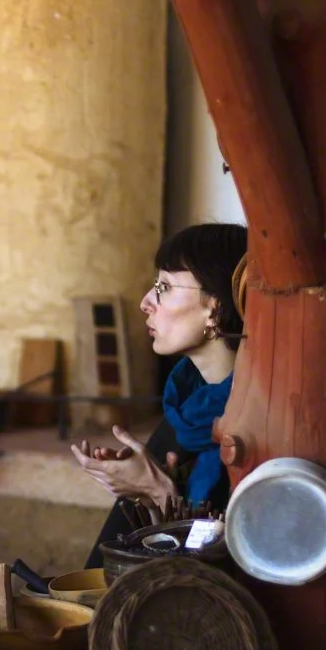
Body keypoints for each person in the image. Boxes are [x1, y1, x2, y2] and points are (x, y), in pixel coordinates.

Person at [71, 223, 246, 568]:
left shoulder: (257, 418)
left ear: (214, 304)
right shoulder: (184, 407)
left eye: (163, 287)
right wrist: (143, 490)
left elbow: (213, 578)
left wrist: (157, 490)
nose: (145, 303)